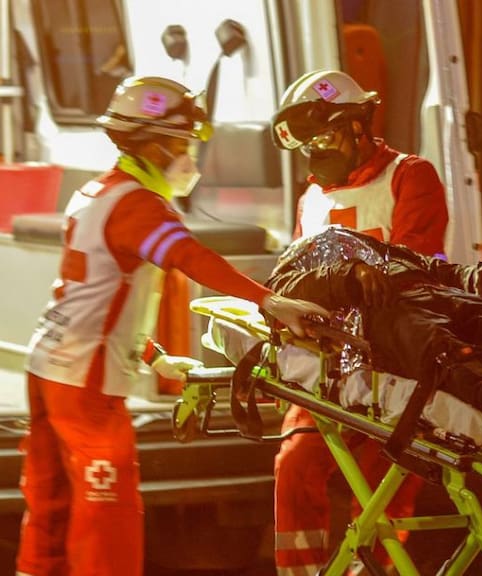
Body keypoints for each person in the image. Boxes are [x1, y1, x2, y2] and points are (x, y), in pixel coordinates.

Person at [15, 76, 328, 576]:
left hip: (48, 365)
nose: (189, 158)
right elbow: (190, 257)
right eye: (182, 145)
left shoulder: (95, 192)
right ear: (152, 144)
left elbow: (98, 298)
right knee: (107, 522)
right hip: (85, 385)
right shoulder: (138, 205)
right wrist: (271, 301)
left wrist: (154, 356)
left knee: (50, 511)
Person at [269, 69, 449, 575]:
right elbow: (295, 278)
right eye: (308, 143)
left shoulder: (409, 177)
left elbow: (413, 268)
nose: (316, 151)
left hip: (396, 364)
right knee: (294, 466)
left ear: (356, 126)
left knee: (384, 491)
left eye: (324, 137)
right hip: (325, 364)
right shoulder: (311, 198)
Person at [266, 226, 482, 423]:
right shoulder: (298, 262)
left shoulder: (384, 250)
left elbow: (436, 268)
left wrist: (474, 275)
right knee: (436, 346)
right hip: (382, 307)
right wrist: (350, 274)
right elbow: (278, 291)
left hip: (440, 294)